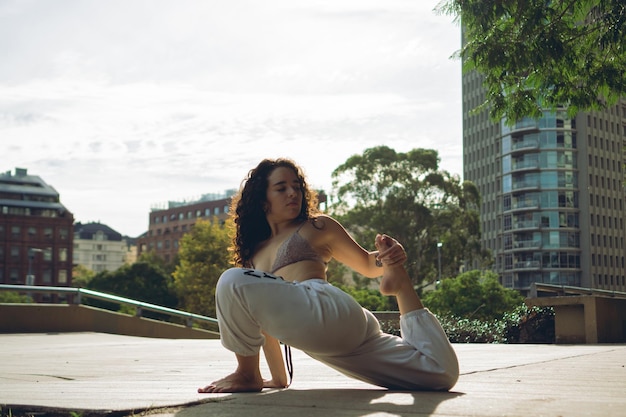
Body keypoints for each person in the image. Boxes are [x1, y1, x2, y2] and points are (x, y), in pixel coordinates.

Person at [198, 158, 459, 393]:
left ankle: (246, 374)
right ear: (263, 199)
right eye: (281, 188)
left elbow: (368, 265)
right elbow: (264, 326)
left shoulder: (316, 226)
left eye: (296, 187)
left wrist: (388, 256)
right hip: (337, 342)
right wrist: (278, 378)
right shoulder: (253, 254)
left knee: (231, 280)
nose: (292, 193)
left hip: (327, 309)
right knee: (439, 373)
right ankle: (401, 286)